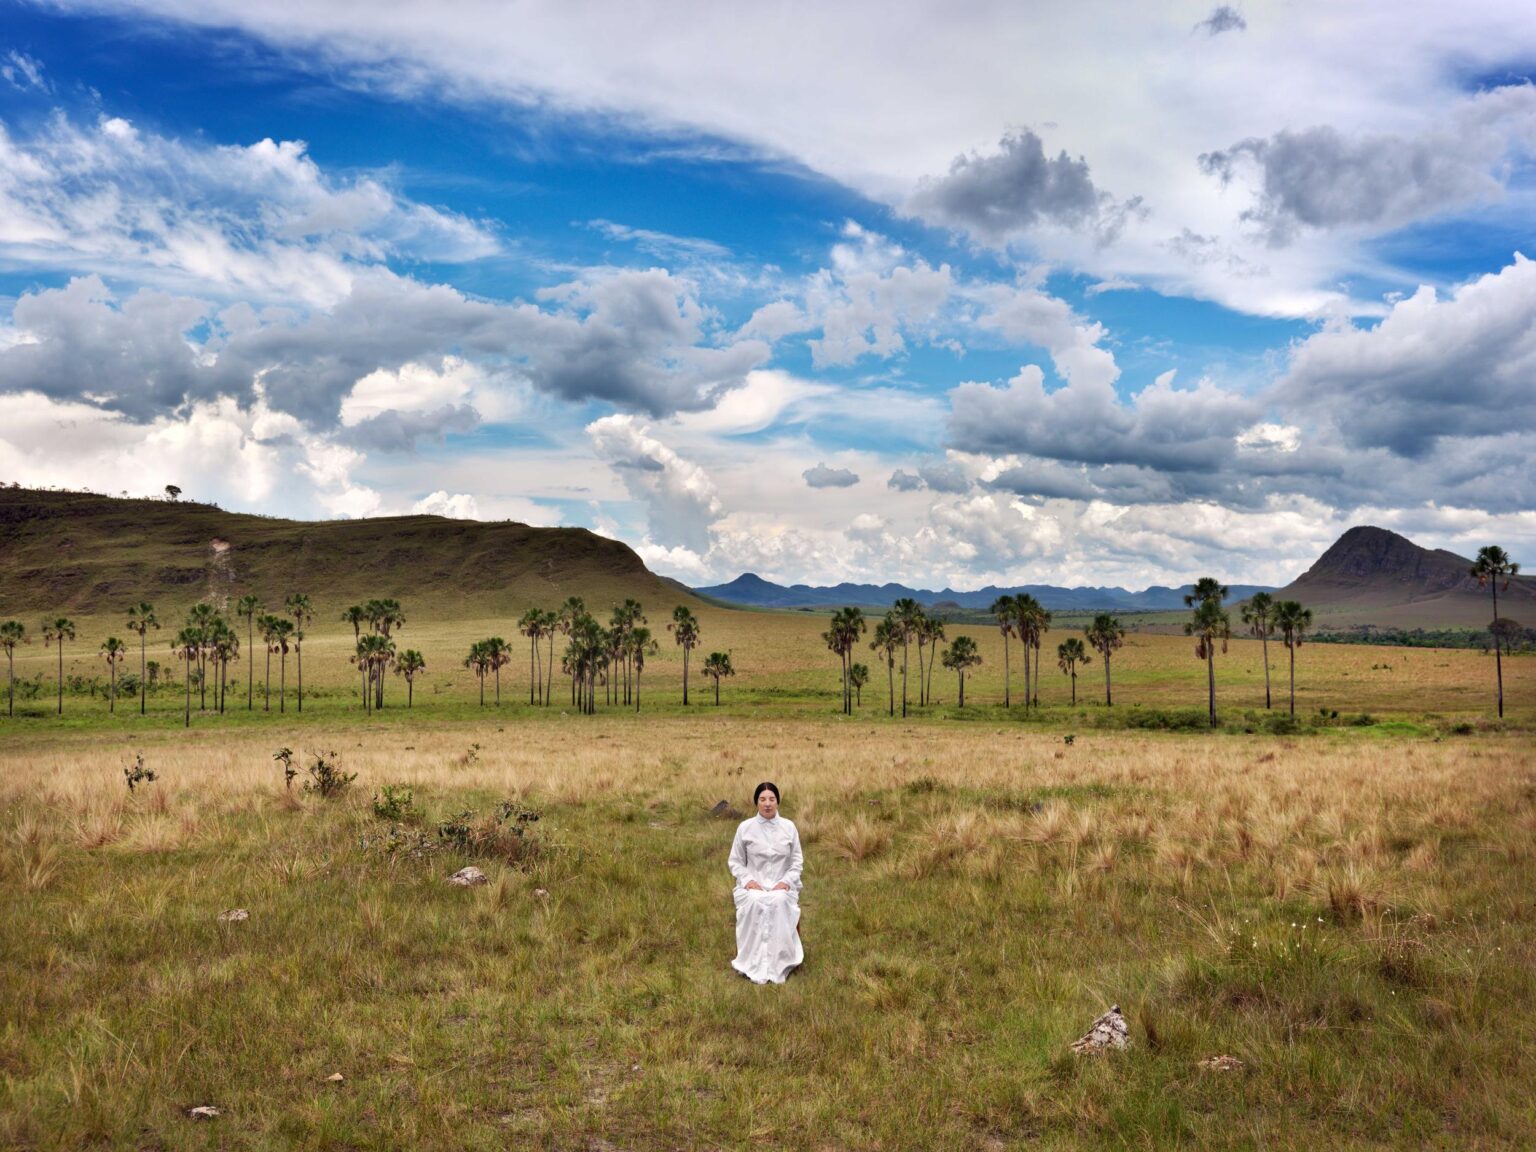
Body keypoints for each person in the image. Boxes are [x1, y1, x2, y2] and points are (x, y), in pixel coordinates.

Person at [728, 781, 804, 984]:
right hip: (755, 884)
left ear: (778, 801)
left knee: (779, 901)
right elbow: (735, 861)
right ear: (756, 802)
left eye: (771, 799)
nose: (767, 803)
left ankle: (782, 960)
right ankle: (753, 960)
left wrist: (787, 881)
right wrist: (748, 880)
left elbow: (797, 861)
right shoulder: (745, 828)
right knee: (755, 902)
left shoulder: (789, 827)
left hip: (781, 884)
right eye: (762, 799)